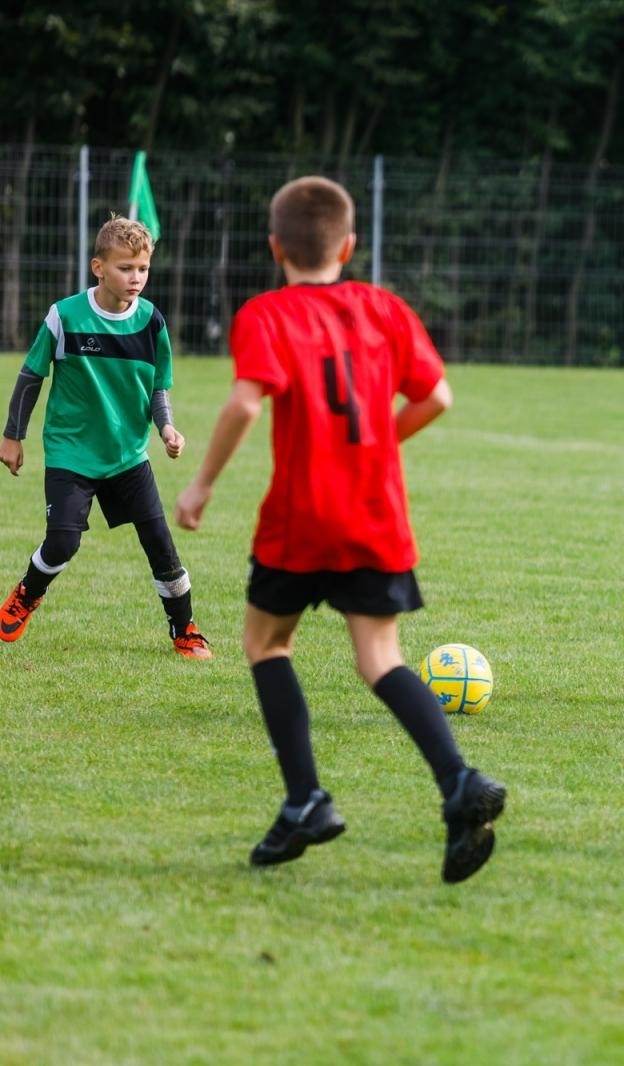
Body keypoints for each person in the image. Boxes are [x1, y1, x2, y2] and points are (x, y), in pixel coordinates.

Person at [175, 175, 504, 883]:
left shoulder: (266, 314)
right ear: (348, 246)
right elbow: (438, 396)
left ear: (275, 248)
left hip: (301, 515)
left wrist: (200, 485)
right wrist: (380, 442)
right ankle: (457, 781)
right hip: (375, 513)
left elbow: (245, 404)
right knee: (380, 658)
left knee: (267, 643)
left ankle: (306, 799)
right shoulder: (384, 308)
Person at [0, 216, 210, 658]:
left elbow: (157, 387)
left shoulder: (152, 322)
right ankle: (26, 594)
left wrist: (166, 427)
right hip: (71, 453)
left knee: (161, 545)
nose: (136, 278)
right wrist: (13, 437)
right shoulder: (65, 316)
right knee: (63, 542)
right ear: (98, 268)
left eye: (143, 268)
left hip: (127, 455)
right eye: (125, 268)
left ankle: (184, 629)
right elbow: (31, 377)